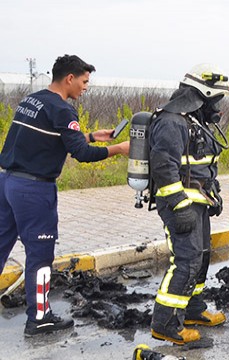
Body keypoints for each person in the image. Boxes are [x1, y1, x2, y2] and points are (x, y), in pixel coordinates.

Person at [0, 54, 130, 337]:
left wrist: (94, 136)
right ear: (69, 78)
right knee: (40, 255)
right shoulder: (62, 109)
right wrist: (119, 149)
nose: (85, 88)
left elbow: (56, 138)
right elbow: (81, 154)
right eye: (84, 82)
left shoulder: (32, 100)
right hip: (33, 190)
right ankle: (40, 318)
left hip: (7, 181)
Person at [148, 64, 229, 345]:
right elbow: (163, 167)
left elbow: (202, 165)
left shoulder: (194, 122)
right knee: (186, 260)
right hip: (179, 204)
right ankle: (165, 323)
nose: (218, 107)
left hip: (197, 202)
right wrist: (179, 205)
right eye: (215, 100)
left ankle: (193, 309)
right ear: (201, 96)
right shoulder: (172, 122)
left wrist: (214, 193)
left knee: (202, 256)